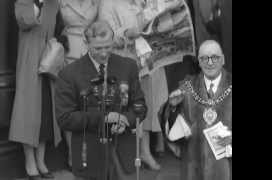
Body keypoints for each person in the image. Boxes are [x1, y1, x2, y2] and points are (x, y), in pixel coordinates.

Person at [54, 20, 146, 180]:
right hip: (89, 159)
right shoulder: (69, 74)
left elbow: (140, 106)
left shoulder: (128, 66)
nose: (104, 53)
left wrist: (125, 119)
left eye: (108, 47)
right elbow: (64, 118)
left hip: (124, 156)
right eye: (98, 48)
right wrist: (102, 118)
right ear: (86, 43)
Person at [98, 0, 168, 170]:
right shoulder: (107, 4)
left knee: (149, 105)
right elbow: (104, 36)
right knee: (127, 109)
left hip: (150, 61)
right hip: (125, 64)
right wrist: (127, 32)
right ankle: (124, 156)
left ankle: (144, 151)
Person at [162, 40, 232, 180]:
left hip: (227, 165)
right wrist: (173, 107)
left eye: (215, 57)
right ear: (198, 62)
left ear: (223, 59)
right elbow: (171, 128)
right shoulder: (186, 86)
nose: (210, 62)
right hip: (194, 165)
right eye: (204, 58)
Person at [9, 0, 62, 179]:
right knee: (28, 113)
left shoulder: (54, 3)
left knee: (46, 113)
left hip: (48, 61)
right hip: (29, 61)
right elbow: (24, 21)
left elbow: (60, 28)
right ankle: (29, 162)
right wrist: (38, 4)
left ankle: (41, 161)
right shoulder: (24, 2)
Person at [55, 0, 101, 169]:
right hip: (68, 53)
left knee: (91, 104)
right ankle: (72, 154)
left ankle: (91, 151)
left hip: (91, 54)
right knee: (71, 106)